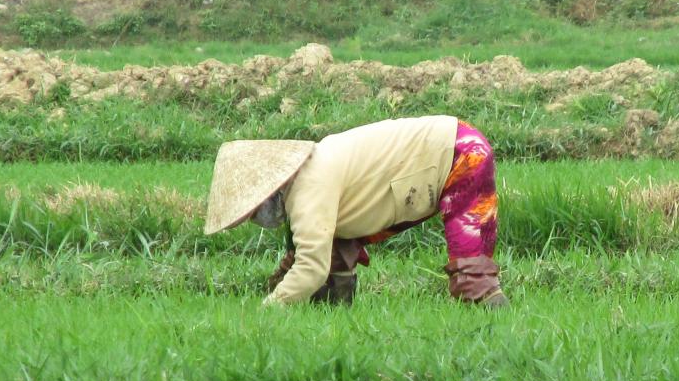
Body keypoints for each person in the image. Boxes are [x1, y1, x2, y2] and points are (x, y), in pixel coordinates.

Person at [204, 115, 508, 307]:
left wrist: (272, 306)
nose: (256, 219)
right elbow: (307, 246)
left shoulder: (310, 188)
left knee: (471, 267)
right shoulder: (310, 174)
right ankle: (334, 309)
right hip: (445, 143)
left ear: (267, 192)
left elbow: (310, 267)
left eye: (251, 211)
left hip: (459, 152)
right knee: (336, 241)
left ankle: (490, 322)